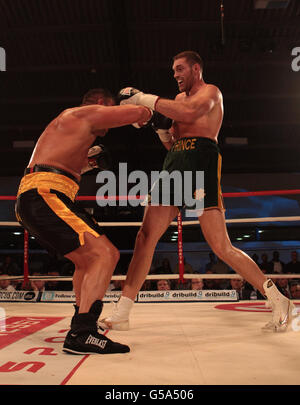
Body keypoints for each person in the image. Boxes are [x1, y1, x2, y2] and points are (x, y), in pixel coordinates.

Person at [101, 50, 294, 333]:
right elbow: (174, 143)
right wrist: (159, 129)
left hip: (202, 159)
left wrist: (142, 98)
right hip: (176, 161)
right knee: (145, 236)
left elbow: (190, 114)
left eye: (180, 69)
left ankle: (277, 298)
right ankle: (123, 310)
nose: (176, 75)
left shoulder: (211, 93)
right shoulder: (176, 100)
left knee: (220, 246)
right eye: (174, 70)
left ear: (196, 69)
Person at [15, 87, 152, 354]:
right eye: (110, 109)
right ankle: (83, 332)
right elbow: (138, 112)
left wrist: (91, 164)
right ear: (102, 104)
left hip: (44, 195)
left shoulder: (73, 129)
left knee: (85, 259)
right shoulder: (83, 113)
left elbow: (65, 165)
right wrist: (143, 105)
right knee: (106, 254)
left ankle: (82, 319)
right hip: (45, 193)